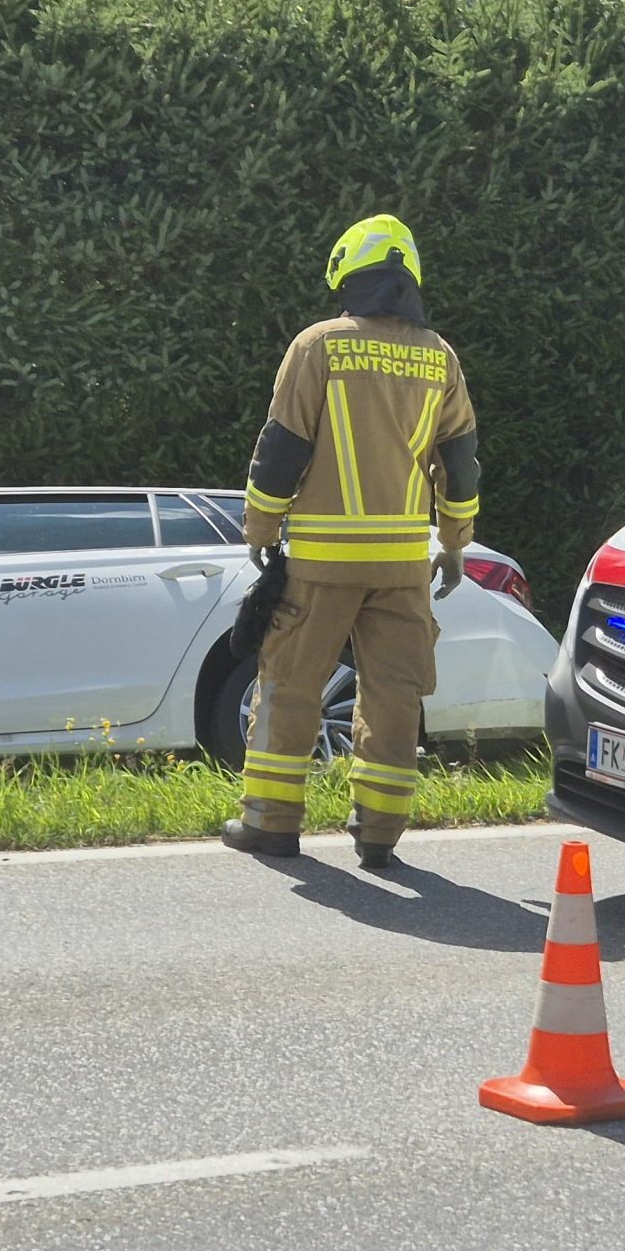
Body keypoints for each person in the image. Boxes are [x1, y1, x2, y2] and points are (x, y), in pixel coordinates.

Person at [223, 215, 480, 870]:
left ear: (348, 274)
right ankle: (380, 833)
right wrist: (454, 540)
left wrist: (260, 527)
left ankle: (273, 824)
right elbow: (461, 461)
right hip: (401, 564)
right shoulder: (439, 356)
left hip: (320, 561)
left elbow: (282, 447)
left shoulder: (318, 346)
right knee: (394, 694)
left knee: (290, 683)